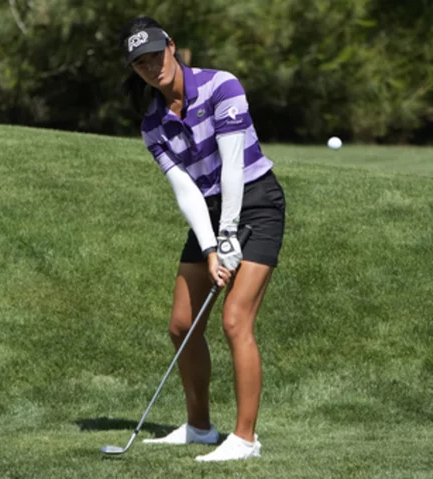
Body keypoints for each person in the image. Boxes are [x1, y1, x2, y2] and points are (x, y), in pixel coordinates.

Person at [119, 16, 286, 462]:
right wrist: (211, 246)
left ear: (172, 46)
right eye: (141, 63)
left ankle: (245, 439)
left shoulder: (222, 86)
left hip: (256, 203)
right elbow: (186, 190)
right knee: (181, 325)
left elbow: (232, 167)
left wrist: (229, 235)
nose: (152, 66)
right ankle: (199, 427)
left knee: (235, 319)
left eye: (156, 54)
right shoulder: (152, 124)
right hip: (209, 212)